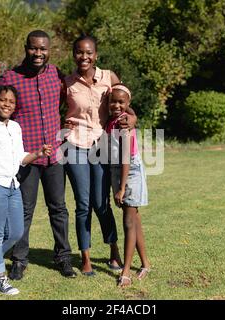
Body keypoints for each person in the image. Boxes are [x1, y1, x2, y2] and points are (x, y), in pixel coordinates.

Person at [0, 30, 77, 280]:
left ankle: (63, 258)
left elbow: (74, 102)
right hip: (23, 158)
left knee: (58, 208)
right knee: (25, 211)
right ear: (25, 47)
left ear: (49, 50)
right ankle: (19, 260)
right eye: (33, 48)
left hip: (53, 155)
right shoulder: (10, 78)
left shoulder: (56, 75)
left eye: (43, 49)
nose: (38, 53)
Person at [63, 34, 137, 275]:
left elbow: (124, 102)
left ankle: (113, 249)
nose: (83, 57)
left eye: (88, 53)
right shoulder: (67, 82)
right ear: (74, 54)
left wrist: (133, 119)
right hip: (74, 145)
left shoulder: (109, 77)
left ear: (95, 55)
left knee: (100, 202)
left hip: (102, 145)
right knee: (83, 204)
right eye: (79, 52)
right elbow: (55, 111)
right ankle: (85, 257)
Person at [0, 85, 53, 295]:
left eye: (11, 102)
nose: (7, 104)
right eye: (3, 99)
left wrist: (38, 153)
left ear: (16, 106)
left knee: (16, 232)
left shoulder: (16, 127)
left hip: (12, 184)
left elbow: (20, 158)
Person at [106, 83, 150, 287]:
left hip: (129, 171)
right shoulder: (112, 120)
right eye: (113, 101)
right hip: (118, 170)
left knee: (128, 221)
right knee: (134, 219)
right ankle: (146, 264)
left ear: (128, 103)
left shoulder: (123, 125)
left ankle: (126, 272)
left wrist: (121, 188)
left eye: (121, 102)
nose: (116, 105)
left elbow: (125, 158)